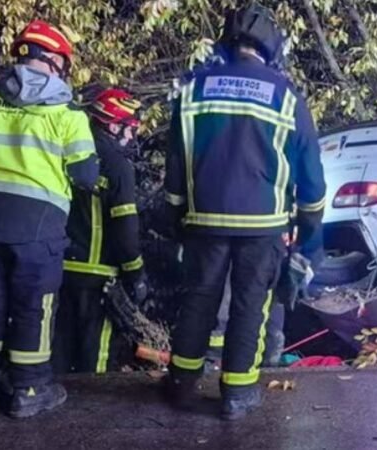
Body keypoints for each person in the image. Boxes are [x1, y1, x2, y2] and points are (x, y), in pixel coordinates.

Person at [163, 3, 326, 420]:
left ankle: (180, 384)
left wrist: (177, 217)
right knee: (250, 306)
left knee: (198, 302)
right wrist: (309, 229)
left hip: (204, 221)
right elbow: (311, 176)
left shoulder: (193, 89)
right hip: (263, 226)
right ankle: (237, 395)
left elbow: (177, 163)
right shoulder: (286, 97)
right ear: (270, 46)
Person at [0, 19, 99, 418]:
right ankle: (28, 392)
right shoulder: (67, 115)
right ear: (53, 60)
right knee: (35, 307)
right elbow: (86, 176)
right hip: (39, 226)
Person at [52, 88, 148, 374]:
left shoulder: (66, 151)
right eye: (130, 128)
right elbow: (125, 229)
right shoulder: (119, 167)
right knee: (95, 358)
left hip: (59, 267)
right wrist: (136, 273)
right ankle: (91, 417)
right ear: (112, 124)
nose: (132, 136)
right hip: (99, 275)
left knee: (58, 346)